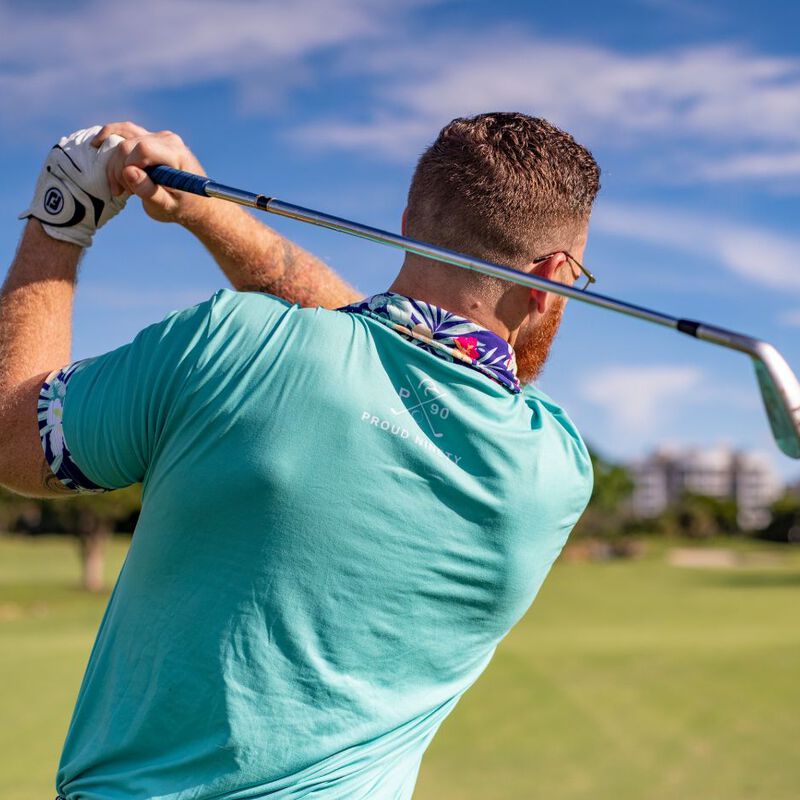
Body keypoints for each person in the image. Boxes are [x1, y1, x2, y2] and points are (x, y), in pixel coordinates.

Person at [0, 112, 600, 799]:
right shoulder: (554, 469)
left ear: (407, 220)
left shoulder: (230, 342)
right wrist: (211, 213)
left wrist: (62, 213)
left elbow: (15, 436)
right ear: (551, 274)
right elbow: (393, 352)